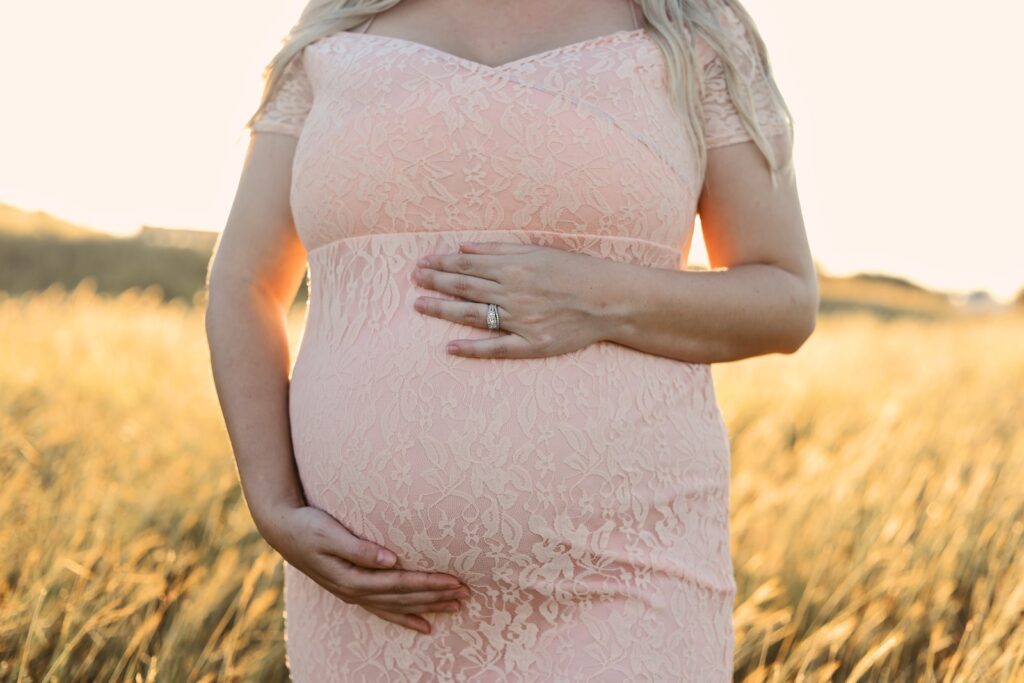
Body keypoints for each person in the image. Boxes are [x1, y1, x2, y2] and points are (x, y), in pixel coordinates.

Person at [205, 0, 817, 679]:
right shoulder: (336, 30)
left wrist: (594, 297)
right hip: (370, 597)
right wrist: (272, 502)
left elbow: (784, 298)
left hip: (622, 581)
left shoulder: (691, 29)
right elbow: (245, 281)